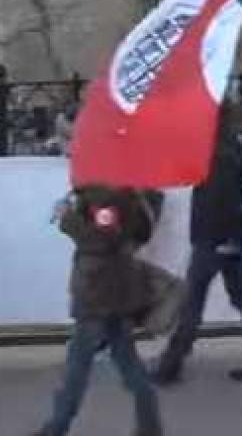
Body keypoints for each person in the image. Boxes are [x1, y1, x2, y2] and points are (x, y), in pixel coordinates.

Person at [32, 185, 164, 436]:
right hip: (116, 289)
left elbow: (100, 239)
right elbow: (136, 233)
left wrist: (67, 217)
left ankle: (56, 428)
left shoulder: (104, 193)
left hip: (98, 291)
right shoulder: (124, 189)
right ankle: (150, 426)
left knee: (78, 366)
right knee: (127, 363)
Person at [153, 107, 242, 385]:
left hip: (213, 238)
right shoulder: (227, 147)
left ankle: (171, 363)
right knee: (241, 298)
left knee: (193, 300)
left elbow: (218, 200)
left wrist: (220, 238)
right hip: (225, 236)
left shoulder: (217, 153)